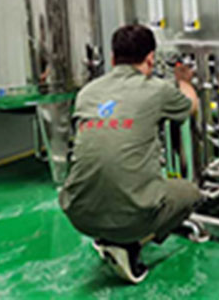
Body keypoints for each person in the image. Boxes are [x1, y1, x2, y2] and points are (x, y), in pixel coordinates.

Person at [59, 24, 205, 284]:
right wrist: (183, 80)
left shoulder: (86, 93)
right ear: (150, 59)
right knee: (191, 193)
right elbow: (190, 106)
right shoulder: (156, 89)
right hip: (131, 216)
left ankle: (105, 236)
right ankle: (129, 245)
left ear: (113, 58)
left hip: (79, 213)